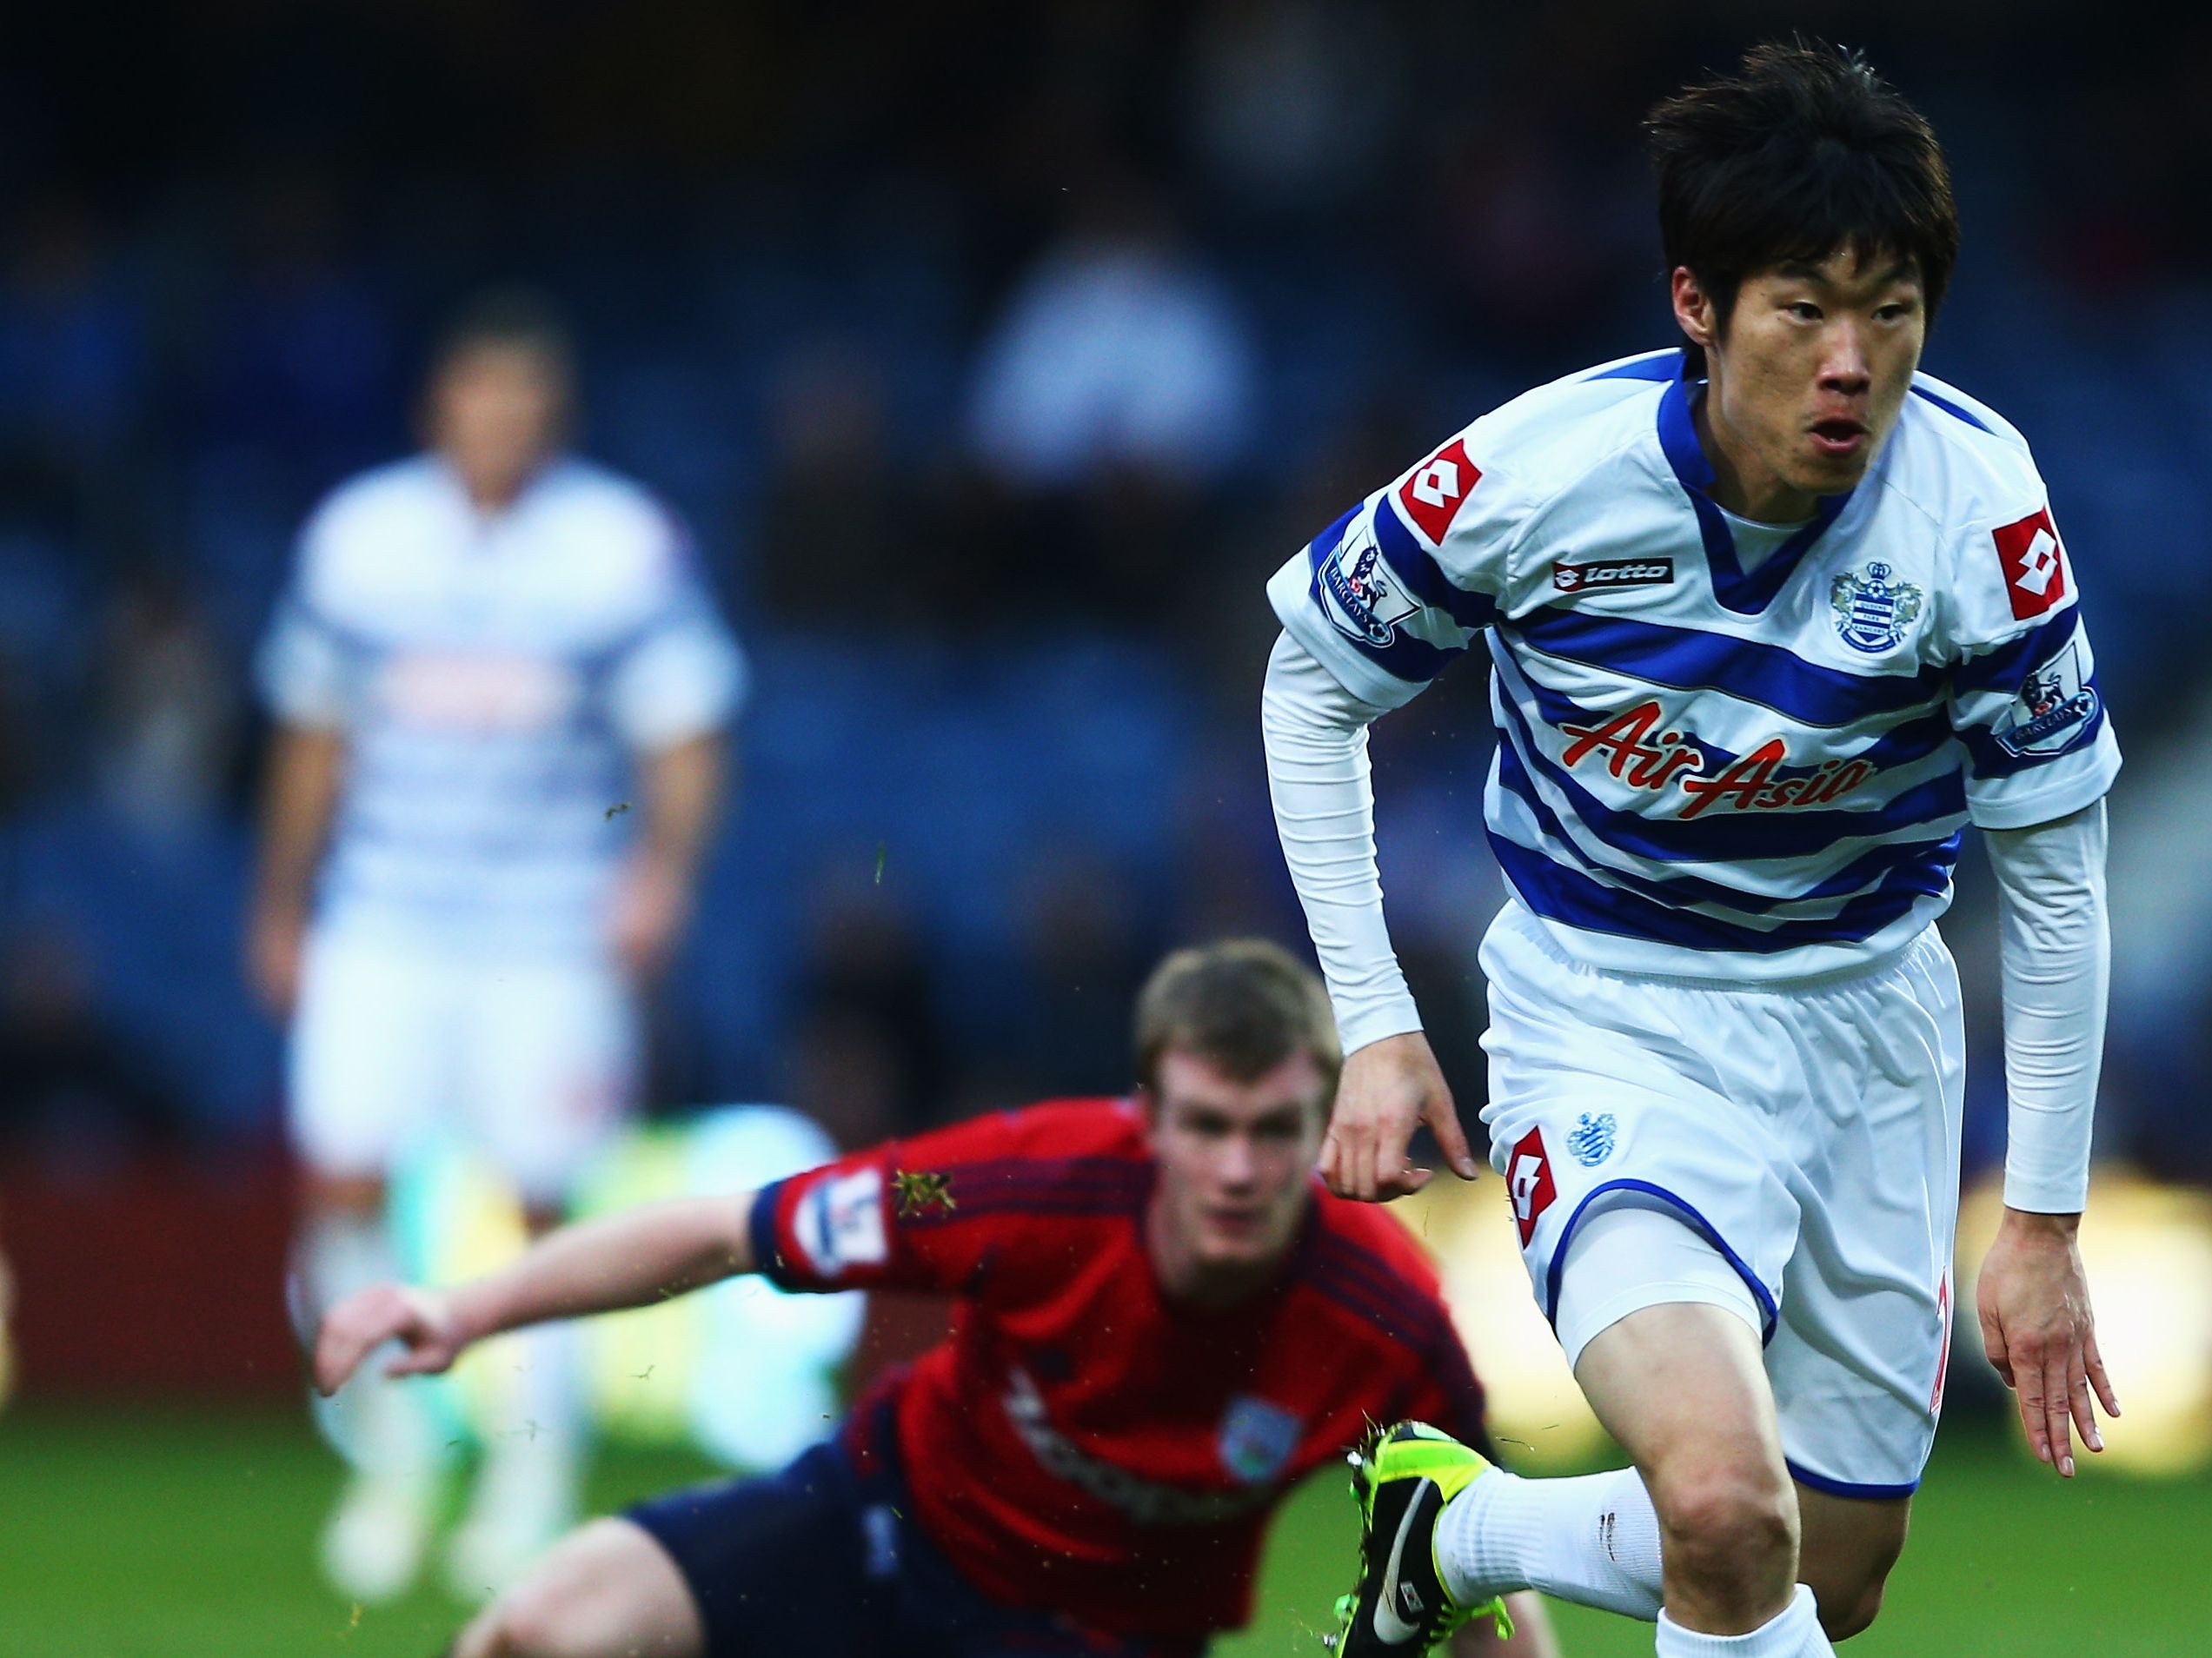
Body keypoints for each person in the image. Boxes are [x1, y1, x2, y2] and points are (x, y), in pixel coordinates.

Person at [1259, 41, 2119, 1658]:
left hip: (1871, 1032)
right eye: (1806, 308)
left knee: (1827, 1582)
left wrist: (2047, 1221)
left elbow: (2059, 875)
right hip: (1611, 1014)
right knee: (1723, 1510)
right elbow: (1312, 687)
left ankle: (1454, 1532)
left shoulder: (1982, 513)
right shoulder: (1539, 475)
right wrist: (1374, 1024)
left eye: (1894, 313)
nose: (1854, 362)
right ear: (1698, 307)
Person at [311, 939, 1561, 1658]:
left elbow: (1480, 1562)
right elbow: (724, 1231)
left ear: (1321, 1124)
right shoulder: (1023, 1187)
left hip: (1099, 1643)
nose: (1238, 1167)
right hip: (878, 1525)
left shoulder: (1384, 1318)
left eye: (1273, 1130)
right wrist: (469, 1311)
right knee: (536, 1633)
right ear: (1148, 1117)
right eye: (1207, 1127)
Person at [249, 290, 746, 1600]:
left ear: (554, 417)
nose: (499, 424)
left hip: (546, 932)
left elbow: (686, 730)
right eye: (479, 397)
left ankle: (530, 1468)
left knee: (540, 1201)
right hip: (384, 917)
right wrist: (281, 903)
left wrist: (662, 874)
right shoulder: (362, 539)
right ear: (439, 407)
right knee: (342, 1182)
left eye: (524, 401)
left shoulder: (618, 544)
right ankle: (391, 1460)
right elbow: (310, 733)